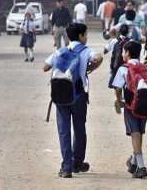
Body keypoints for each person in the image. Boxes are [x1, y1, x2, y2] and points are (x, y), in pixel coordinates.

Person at [43, 23, 103, 178]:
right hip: (78, 95)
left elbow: (45, 67)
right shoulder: (86, 50)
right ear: (81, 36)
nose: (87, 37)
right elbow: (99, 57)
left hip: (60, 95)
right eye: (86, 34)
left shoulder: (60, 51)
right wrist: (93, 66)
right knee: (79, 128)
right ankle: (77, 161)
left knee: (63, 131)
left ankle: (66, 167)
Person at [112, 41, 147, 178]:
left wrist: (119, 100)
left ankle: (142, 166)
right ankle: (134, 162)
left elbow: (117, 88)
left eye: (123, 51)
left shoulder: (123, 69)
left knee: (134, 133)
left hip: (130, 105)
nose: (122, 54)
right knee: (139, 133)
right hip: (144, 105)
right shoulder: (144, 67)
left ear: (127, 53)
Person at [104, 24, 130, 113]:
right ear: (128, 32)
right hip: (127, 66)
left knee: (117, 84)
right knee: (127, 83)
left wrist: (111, 40)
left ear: (119, 31)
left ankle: (116, 98)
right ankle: (125, 102)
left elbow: (105, 51)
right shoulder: (131, 41)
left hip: (116, 65)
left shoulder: (115, 40)